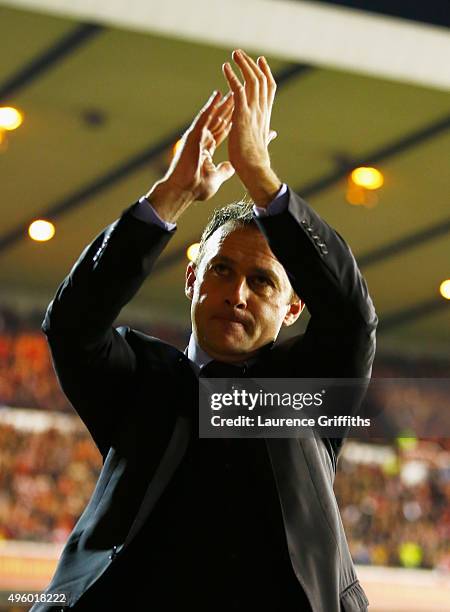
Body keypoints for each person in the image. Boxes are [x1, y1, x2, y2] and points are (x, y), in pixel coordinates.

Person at [33, 49, 377, 611]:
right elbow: (72, 324)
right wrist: (171, 193)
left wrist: (263, 179)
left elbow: (353, 317)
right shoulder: (139, 381)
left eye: (263, 282)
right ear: (192, 279)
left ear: (293, 309)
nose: (236, 293)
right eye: (221, 270)